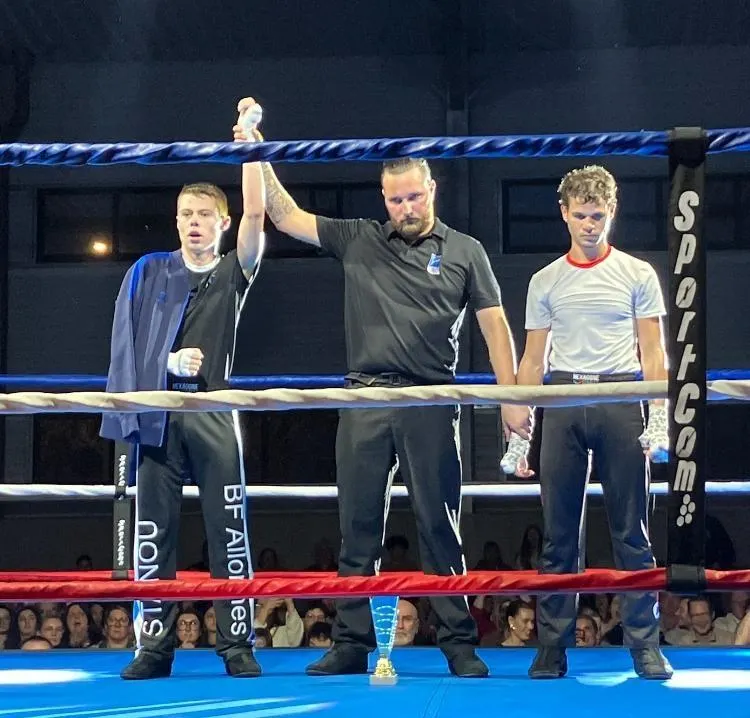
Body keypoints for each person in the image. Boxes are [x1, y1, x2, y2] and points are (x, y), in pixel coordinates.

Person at [234, 96, 531, 678]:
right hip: (364, 398)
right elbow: (285, 215)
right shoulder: (360, 238)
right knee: (357, 526)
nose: (406, 208)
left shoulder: (465, 250)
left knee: (440, 524)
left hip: (430, 399)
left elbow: (496, 328)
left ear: (432, 189)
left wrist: (511, 399)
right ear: (383, 198)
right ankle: (350, 642)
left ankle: (458, 643)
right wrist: (255, 150)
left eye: (414, 196)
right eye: (396, 200)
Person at [100, 105, 266, 680]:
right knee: (153, 529)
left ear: (222, 223)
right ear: (176, 222)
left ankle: (237, 645)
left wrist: (250, 145)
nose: (194, 223)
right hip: (158, 412)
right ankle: (154, 647)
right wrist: (164, 364)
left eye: (204, 215)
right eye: (186, 215)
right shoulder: (149, 271)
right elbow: (123, 343)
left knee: (229, 528)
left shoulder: (234, 272)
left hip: (215, 409)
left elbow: (258, 214)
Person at [502, 165, 672, 680]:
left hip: (620, 395)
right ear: (564, 214)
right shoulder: (545, 280)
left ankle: (645, 646)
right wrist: (519, 426)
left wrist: (659, 417)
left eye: (597, 215)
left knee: (632, 531)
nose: (589, 225)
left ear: (612, 212)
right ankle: (552, 647)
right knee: (558, 536)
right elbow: (533, 359)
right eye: (580, 215)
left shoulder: (638, 274)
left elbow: (653, 352)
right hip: (563, 398)